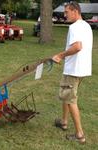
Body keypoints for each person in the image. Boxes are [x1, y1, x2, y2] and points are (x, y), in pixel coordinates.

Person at [52, 1, 93, 144]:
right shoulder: (86, 25)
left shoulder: (75, 26)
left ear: (75, 11)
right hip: (82, 69)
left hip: (74, 69)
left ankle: (79, 135)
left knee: (70, 100)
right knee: (67, 95)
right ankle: (64, 121)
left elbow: (77, 47)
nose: (64, 15)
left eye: (66, 12)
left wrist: (60, 55)